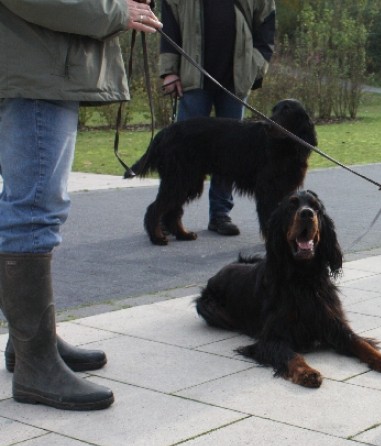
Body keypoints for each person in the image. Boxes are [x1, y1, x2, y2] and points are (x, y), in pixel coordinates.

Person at [0, 0, 162, 410]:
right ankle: (36, 366)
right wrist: (114, 11)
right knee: (33, 210)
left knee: (28, 206)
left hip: (35, 62)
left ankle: (29, 343)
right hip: (35, 67)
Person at [159, 0, 276, 236]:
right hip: (193, 78)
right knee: (182, 154)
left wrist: (255, 66)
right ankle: (168, 214)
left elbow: (266, 24)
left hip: (236, 80)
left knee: (230, 156)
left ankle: (220, 214)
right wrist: (169, 71)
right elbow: (168, 25)